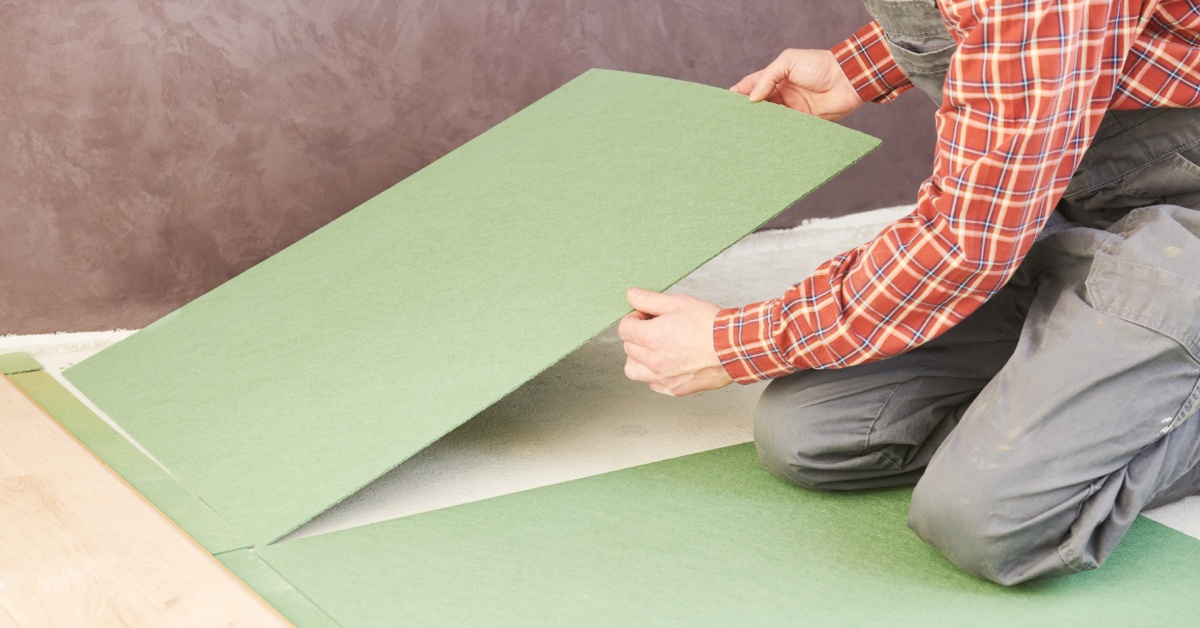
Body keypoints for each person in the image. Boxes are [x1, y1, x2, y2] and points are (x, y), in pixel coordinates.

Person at [618, 0, 1200, 585]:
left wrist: (733, 343)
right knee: (814, 432)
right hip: (1084, 211)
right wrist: (860, 65)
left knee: (989, 518)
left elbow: (964, 243)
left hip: (1178, 228)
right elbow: (1041, 38)